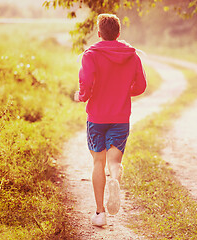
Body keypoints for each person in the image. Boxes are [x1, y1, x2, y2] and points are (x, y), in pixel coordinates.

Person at [74, 13, 147, 227]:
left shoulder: (90, 54)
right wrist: (123, 91)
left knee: (98, 162)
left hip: (97, 117)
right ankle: (115, 179)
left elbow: (85, 84)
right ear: (118, 33)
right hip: (120, 117)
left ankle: (100, 213)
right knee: (114, 162)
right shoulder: (132, 56)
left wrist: (81, 96)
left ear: (99, 34)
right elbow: (141, 86)